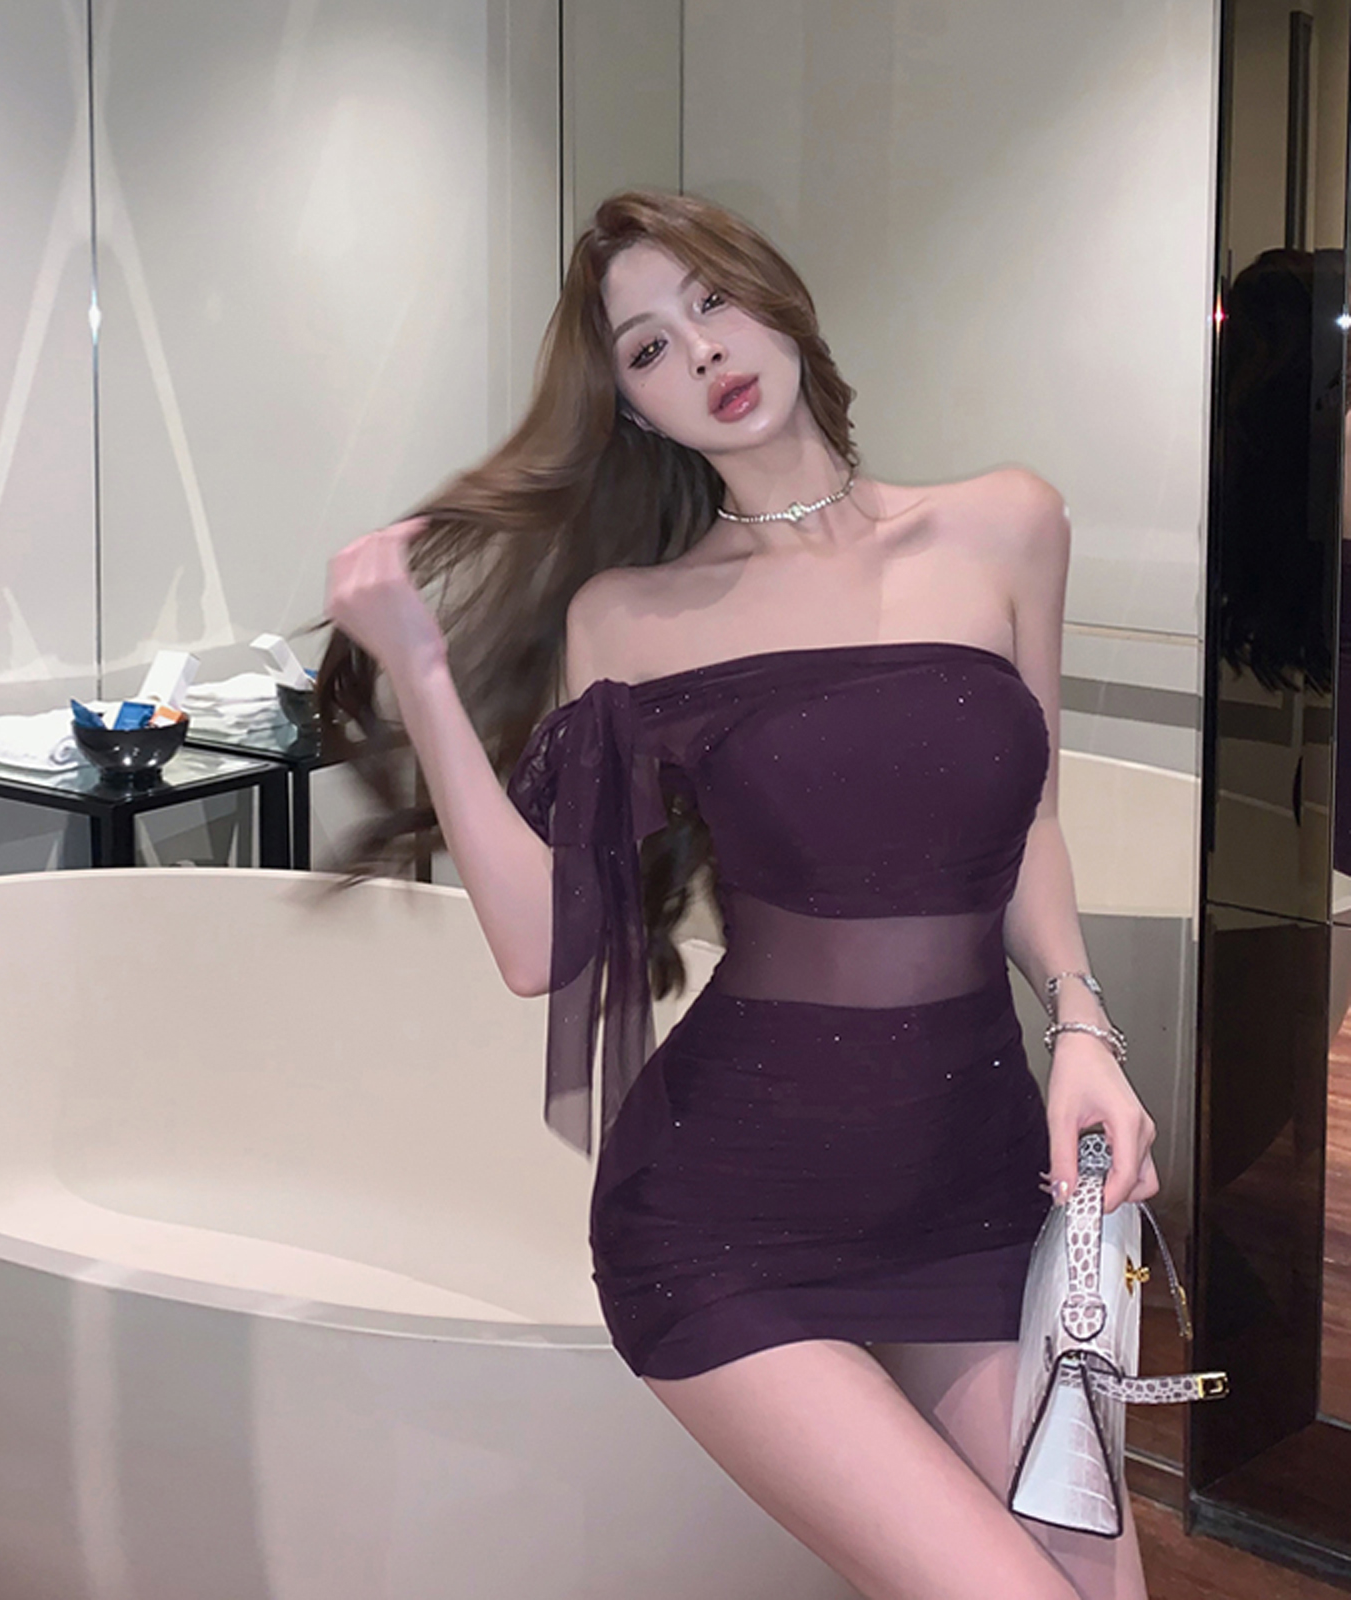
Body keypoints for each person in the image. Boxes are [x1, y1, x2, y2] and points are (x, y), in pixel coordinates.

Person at [316, 189, 1160, 1600]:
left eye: (708, 300)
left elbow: (1032, 819)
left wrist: (1082, 1023)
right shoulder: (631, 618)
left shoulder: (1006, 525)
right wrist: (421, 669)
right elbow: (540, 948)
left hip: (976, 1182)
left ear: (777, 297)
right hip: (731, 1214)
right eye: (646, 348)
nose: (698, 349)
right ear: (635, 410)